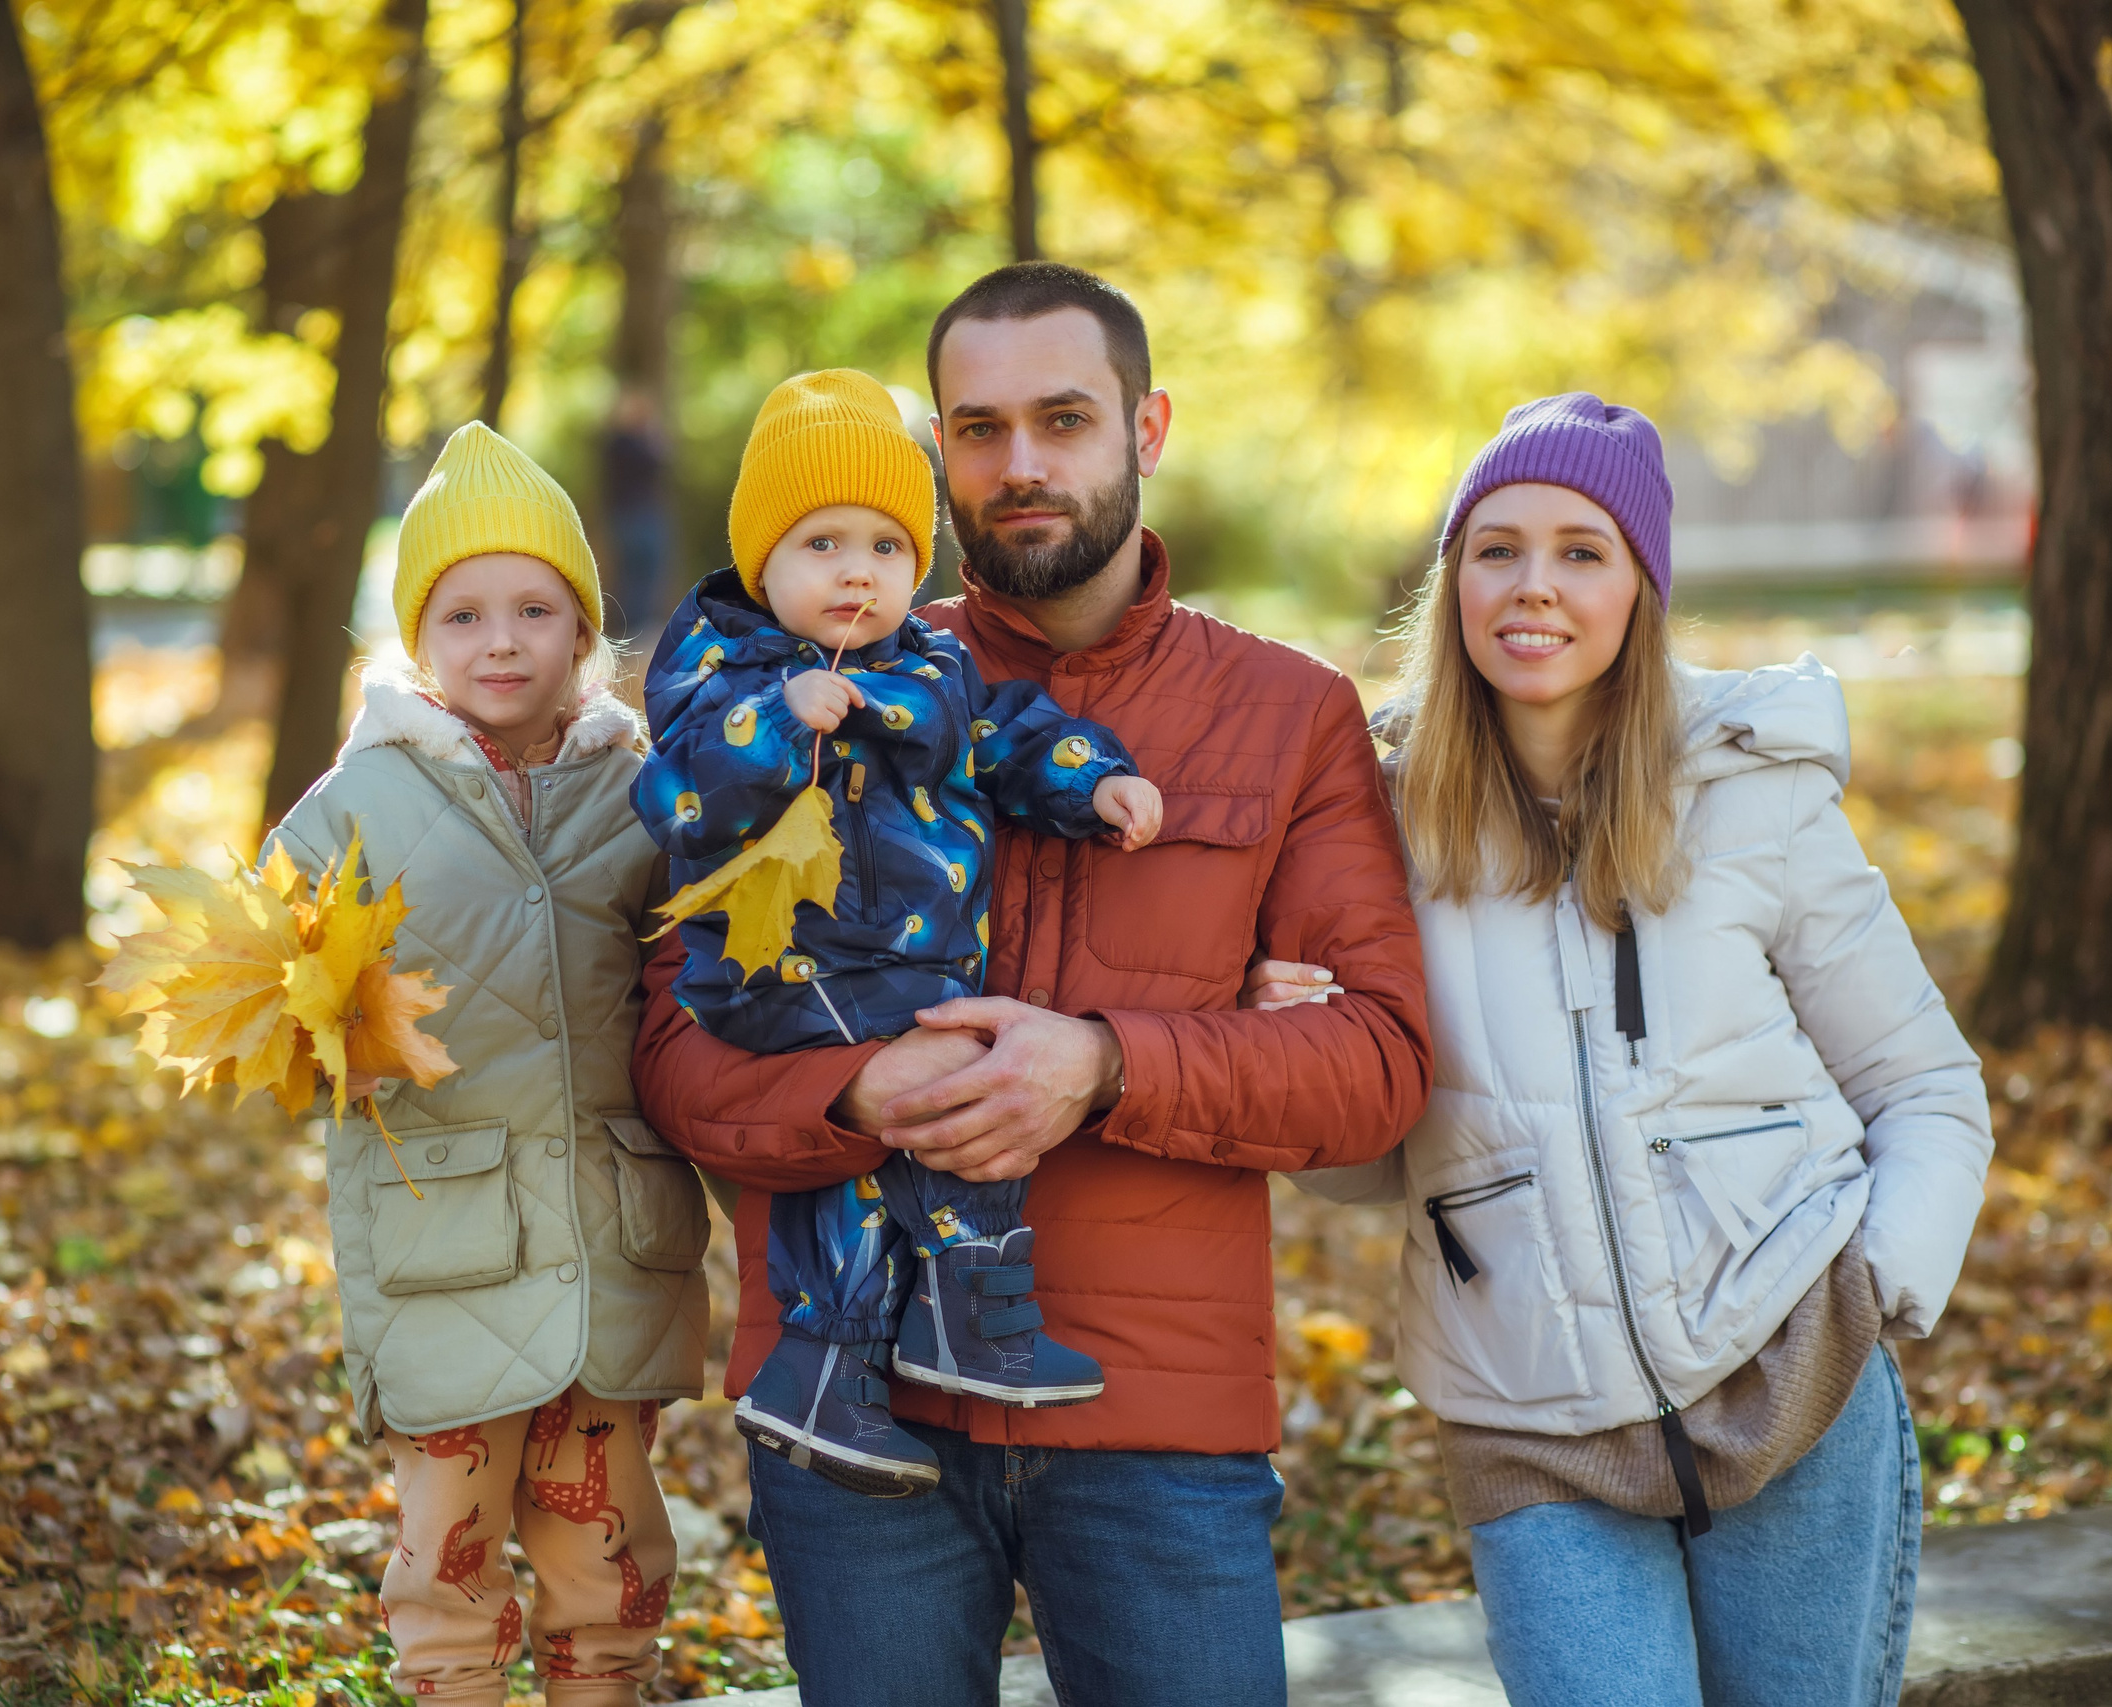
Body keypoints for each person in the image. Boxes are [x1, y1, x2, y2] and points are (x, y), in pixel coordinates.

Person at [632, 263, 1433, 1707]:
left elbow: (1375, 1063)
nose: (1021, 465)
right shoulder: (816, 688)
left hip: (1158, 1417)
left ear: (1150, 423)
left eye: (1064, 418)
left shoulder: (1285, 712)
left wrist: (1111, 1060)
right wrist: (853, 1083)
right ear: (939, 449)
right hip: (851, 1404)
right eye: (979, 428)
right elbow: (674, 1056)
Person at [1265, 393, 1993, 1707]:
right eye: (1497, 548)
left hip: (1796, 1382)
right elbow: (1372, 1167)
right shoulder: (1374, 827)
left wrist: (1870, 1288)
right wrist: (1300, 1067)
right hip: (1524, 1416)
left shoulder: (1750, 792)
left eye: (1581, 550)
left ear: (1639, 587)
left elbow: (1926, 1087)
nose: (1533, 586)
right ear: (1451, 581)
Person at [633, 368, 1164, 1496]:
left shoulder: (929, 665)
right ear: (761, 563)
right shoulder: (722, 670)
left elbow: (1007, 735)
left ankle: (855, 1362)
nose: (856, 571)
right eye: (821, 544)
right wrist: (776, 724)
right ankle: (949, 1319)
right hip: (785, 964)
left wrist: (1094, 781)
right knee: (950, 1092)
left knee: (898, 1150)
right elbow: (673, 797)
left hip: (911, 960)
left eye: (883, 546)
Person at [268, 421, 710, 1706]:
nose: (501, 640)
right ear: (418, 641)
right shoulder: (353, 808)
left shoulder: (645, 789)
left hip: (610, 1237)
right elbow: (268, 996)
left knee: (610, 1563)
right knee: (448, 1570)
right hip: (444, 1244)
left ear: (584, 631)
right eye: (462, 615)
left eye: (534, 608)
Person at [599, 389, 672, 634]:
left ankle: (637, 626)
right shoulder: (625, 444)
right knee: (638, 574)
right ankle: (636, 627)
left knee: (640, 575)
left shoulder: (616, 444)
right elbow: (659, 459)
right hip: (636, 517)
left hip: (633, 515)